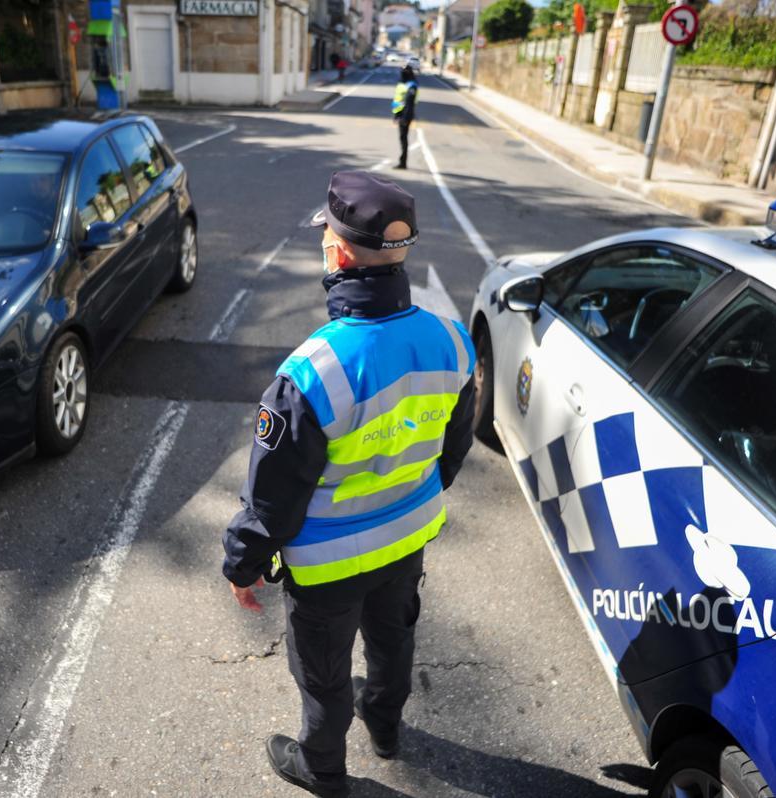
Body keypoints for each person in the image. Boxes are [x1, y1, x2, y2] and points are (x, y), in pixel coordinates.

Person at [222, 171, 476, 797]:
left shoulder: (312, 371)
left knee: (325, 675)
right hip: (407, 537)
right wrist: (411, 492)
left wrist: (242, 565)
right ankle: (386, 729)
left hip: (328, 566)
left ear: (336, 254)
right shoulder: (452, 340)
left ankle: (324, 771)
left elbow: (273, 499)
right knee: (394, 640)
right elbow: (453, 448)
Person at [391, 66, 418, 169]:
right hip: (400, 115)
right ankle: (402, 161)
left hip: (405, 116)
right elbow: (398, 101)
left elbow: (409, 104)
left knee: (404, 138)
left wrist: (405, 118)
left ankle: (403, 162)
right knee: (402, 138)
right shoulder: (404, 84)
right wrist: (396, 115)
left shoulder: (411, 86)